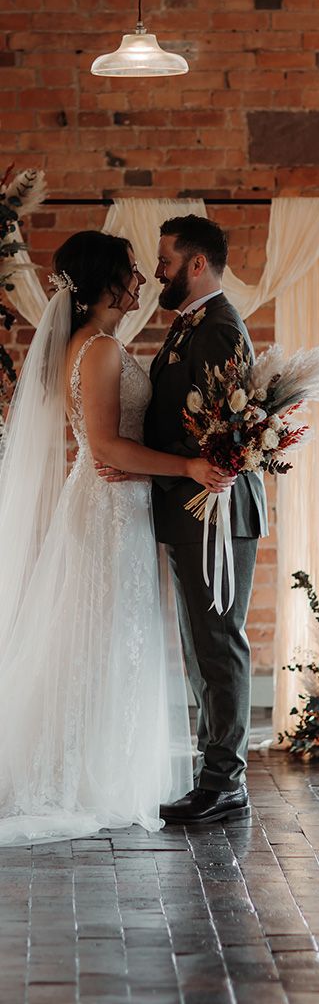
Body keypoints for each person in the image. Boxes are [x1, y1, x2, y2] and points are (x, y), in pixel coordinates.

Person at [0, 230, 231, 846]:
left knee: (107, 636)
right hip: (107, 504)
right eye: (132, 270)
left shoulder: (97, 343)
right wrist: (187, 466)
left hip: (119, 501)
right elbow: (102, 446)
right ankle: (80, 775)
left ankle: (103, 764)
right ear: (105, 282)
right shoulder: (99, 349)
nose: (142, 280)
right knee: (104, 634)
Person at [146, 214, 268, 824]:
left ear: (198, 264)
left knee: (218, 642)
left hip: (214, 510)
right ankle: (213, 771)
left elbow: (222, 438)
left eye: (166, 259)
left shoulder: (218, 328)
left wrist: (171, 468)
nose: (158, 269)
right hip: (188, 507)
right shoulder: (189, 325)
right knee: (201, 643)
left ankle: (226, 781)